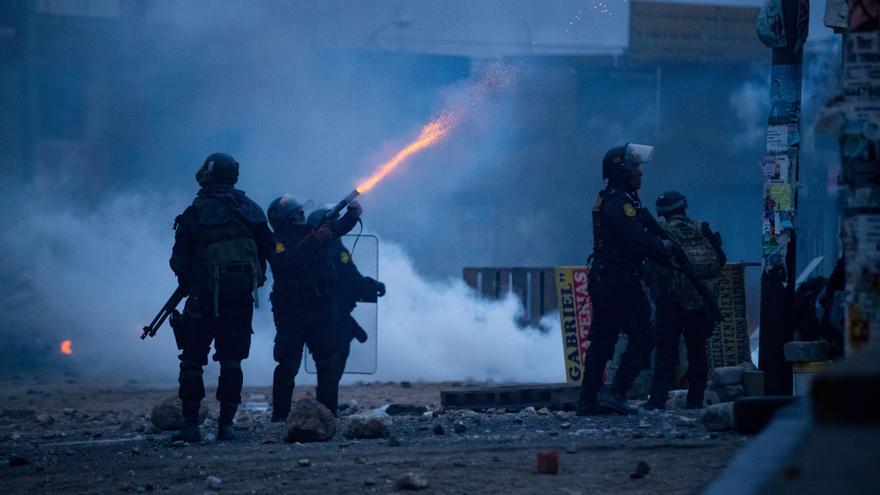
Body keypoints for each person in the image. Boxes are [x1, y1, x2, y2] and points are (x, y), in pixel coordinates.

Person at [169, 152, 274, 442]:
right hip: (240, 300)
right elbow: (270, 248)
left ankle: (190, 426)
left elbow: (178, 261)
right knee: (232, 361)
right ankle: (226, 426)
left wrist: (193, 280)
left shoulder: (194, 214)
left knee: (192, 360)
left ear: (208, 175)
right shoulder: (251, 210)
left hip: (202, 300)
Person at [576, 143, 672, 416]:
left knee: (604, 340)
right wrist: (663, 248)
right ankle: (615, 393)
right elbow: (636, 239)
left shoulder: (611, 197)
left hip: (607, 277)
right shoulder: (621, 202)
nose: (640, 174)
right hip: (619, 280)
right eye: (634, 169)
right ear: (621, 172)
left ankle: (588, 401)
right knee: (642, 336)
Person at [267, 196, 361, 420]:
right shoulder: (276, 241)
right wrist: (314, 240)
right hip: (291, 312)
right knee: (288, 364)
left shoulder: (312, 231)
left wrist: (351, 216)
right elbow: (287, 262)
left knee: (329, 361)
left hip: (320, 309)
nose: (301, 216)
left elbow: (336, 229)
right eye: (297, 214)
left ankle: (328, 414)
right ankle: (280, 417)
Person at [643, 191, 725, 410]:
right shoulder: (702, 229)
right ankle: (695, 400)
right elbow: (721, 260)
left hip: (672, 299)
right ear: (684, 207)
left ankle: (658, 400)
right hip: (700, 299)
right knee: (697, 350)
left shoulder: (661, 234)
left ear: (662, 213)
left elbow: (651, 270)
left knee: (665, 351)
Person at [306, 208, 386, 377]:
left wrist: (371, 285)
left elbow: (351, 277)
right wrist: (369, 286)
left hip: (332, 313)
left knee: (332, 364)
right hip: (327, 315)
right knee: (330, 364)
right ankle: (326, 404)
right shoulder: (323, 249)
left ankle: (326, 403)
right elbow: (350, 278)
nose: (333, 228)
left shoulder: (331, 246)